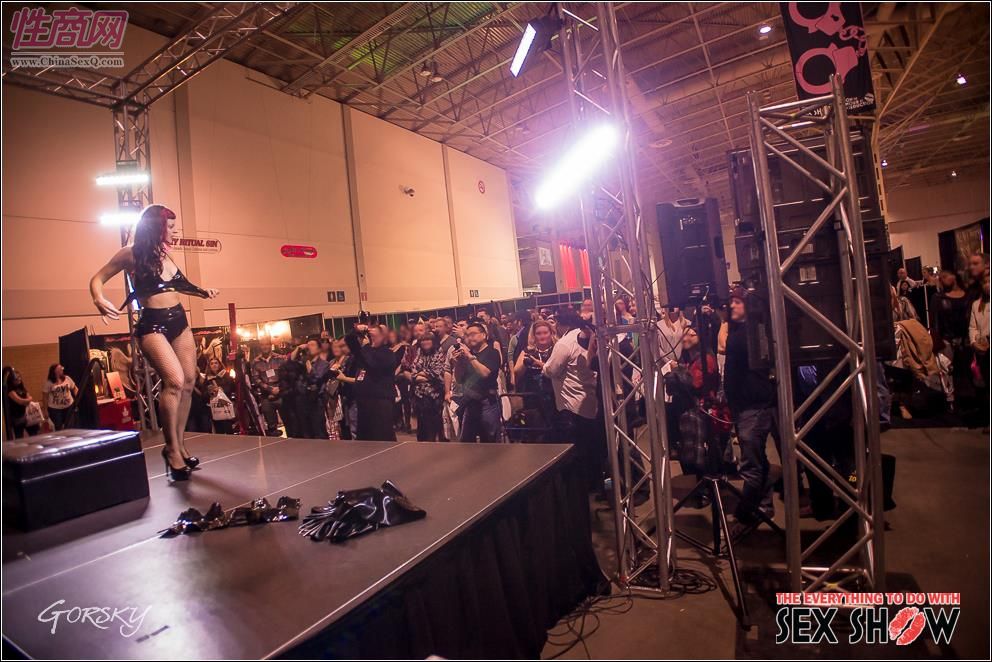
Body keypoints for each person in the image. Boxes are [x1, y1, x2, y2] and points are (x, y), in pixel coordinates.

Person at [89, 204, 219, 481]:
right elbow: (98, 278)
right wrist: (99, 298)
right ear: (156, 227)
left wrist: (202, 292)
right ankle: (171, 449)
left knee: (189, 382)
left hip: (179, 321)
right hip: (152, 326)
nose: (174, 231)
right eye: (170, 227)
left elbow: (177, 285)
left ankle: (179, 445)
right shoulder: (131, 253)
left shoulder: (165, 254)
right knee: (174, 381)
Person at [723, 287, 779, 525]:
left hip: (754, 405)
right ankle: (764, 505)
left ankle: (744, 515)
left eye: (737, 302)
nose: (732, 306)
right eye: (731, 302)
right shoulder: (739, 331)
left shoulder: (753, 332)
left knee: (751, 464)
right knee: (757, 459)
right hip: (745, 405)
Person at [543, 312, 603, 488]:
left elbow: (552, 370)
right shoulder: (586, 337)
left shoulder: (564, 344)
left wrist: (543, 367)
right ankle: (595, 483)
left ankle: (581, 486)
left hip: (571, 404)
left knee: (577, 450)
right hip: (590, 398)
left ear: (560, 324)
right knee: (592, 446)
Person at [664, 328, 730, 486]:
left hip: (704, 411)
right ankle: (703, 483)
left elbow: (696, 383)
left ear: (700, 337)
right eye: (684, 334)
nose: (685, 337)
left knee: (707, 451)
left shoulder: (706, 359)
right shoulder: (689, 359)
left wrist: (677, 372)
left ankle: (712, 482)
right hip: (691, 409)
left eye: (690, 334)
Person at [345, 323, 401, 441]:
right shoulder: (365, 351)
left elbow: (373, 365)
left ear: (383, 337)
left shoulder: (388, 354)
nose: (372, 336)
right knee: (365, 437)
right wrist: (356, 330)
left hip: (381, 401)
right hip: (364, 400)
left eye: (376, 334)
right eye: (370, 334)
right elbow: (350, 340)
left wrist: (367, 347)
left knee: (382, 435)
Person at [930, 270, 974, 409]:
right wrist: (938, 340)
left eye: (944, 276)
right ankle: (951, 401)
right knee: (947, 371)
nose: (942, 280)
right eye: (940, 278)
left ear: (954, 276)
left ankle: (971, 400)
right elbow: (934, 322)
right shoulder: (938, 297)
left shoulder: (969, 295)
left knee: (968, 370)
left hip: (966, 339)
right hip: (947, 339)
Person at [453, 321, 503, 442]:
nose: (470, 338)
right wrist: (458, 362)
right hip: (470, 402)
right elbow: (459, 379)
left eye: (473, 334)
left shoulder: (492, 352)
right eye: (467, 335)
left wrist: (470, 357)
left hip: (488, 402)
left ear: (484, 335)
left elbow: (485, 373)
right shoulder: (467, 355)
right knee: (467, 441)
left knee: (490, 440)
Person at [512, 319, 558, 438]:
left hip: (553, 394)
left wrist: (539, 363)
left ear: (551, 333)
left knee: (554, 427)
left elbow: (556, 371)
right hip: (533, 395)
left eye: (545, 332)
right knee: (536, 427)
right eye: (538, 333)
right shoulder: (528, 350)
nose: (542, 336)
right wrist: (526, 362)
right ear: (534, 335)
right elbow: (516, 371)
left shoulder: (557, 349)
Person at [292, 337, 330, 439]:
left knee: (319, 431)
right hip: (303, 401)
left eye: (312, 345)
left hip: (316, 401)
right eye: (308, 345)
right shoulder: (302, 363)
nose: (309, 347)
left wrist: (310, 369)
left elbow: (317, 379)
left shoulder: (324, 364)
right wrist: (298, 348)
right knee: (306, 432)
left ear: (319, 349)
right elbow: (290, 362)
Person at [411, 333, 446, 441]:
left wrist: (421, 373)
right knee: (421, 424)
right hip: (419, 394)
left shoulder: (439, 353)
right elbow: (413, 372)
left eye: (428, 340)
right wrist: (423, 375)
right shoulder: (419, 353)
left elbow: (437, 373)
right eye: (423, 340)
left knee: (433, 423)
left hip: (435, 394)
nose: (425, 342)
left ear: (433, 342)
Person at [252, 337, 286, 436]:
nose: (265, 347)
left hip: (281, 393)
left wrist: (279, 388)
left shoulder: (279, 358)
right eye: (262, 344)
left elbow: (285, 375)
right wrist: (270, 389)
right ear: (260, 346)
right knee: (271, 426)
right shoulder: (255, 362)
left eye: (266, 344)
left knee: (288, 420)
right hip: (266, 396)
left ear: (270, 345)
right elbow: (256, 379)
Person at [969, 271, 990, 397]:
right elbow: (973, 327)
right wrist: (974, 341)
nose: (987, 285)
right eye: (985, 282)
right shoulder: (976, 304)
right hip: (984, 351)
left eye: (990, 281)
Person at [4, 368, 41, 438]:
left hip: (28, 414)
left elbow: (30, 397)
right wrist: (26, 400)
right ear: (11, 380)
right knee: (19, 436)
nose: (19, 379)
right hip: (18, 416)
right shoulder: (10, 391)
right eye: (16, 378)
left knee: (34, 433)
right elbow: (20, 401)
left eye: (19, 377)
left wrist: (26, 400)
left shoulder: (22, 388)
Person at [42, 363, 78, 431]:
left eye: (61, 368)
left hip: (69, 406)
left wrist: (77, 399)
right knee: (59, 427)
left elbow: (74, 388)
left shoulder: (67, 378)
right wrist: (45, 410)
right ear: (54, 371)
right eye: (59, 369)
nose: (62, 370)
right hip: (55, 409)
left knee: (70, 425)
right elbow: (45, 397)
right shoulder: (49, 382)